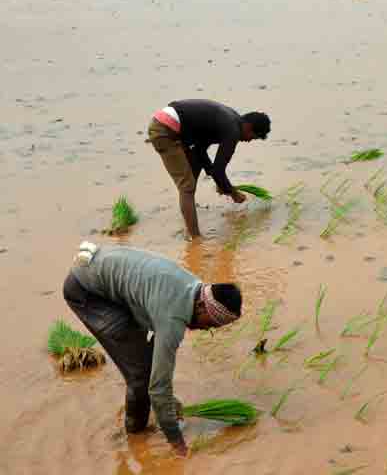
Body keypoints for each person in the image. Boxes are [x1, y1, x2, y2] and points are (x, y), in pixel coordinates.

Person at [63, 243, 242, 457]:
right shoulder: (173, 318)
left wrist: (169, 403)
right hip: (87, 291)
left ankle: (137, 430)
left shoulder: (193, 287)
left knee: (143, 361)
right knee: (139, 376)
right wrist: (178, 445)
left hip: (97, 263)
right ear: (203, 306)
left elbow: (156, 357)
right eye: (210, 324)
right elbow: (158, 389)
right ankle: (135, 439)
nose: (205, 329)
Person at [147, 100, 270, 239]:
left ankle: (188, 219)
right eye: (253, 137)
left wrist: (220, 183)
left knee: (194, 167)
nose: (249, 141)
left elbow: (200, 149)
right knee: (186, 187)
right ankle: (196, 238)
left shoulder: (231, 119)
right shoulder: (233, 131)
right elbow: (218, 171)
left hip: (170, 123)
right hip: (164, 130)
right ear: (248, 127)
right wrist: (233, 193)